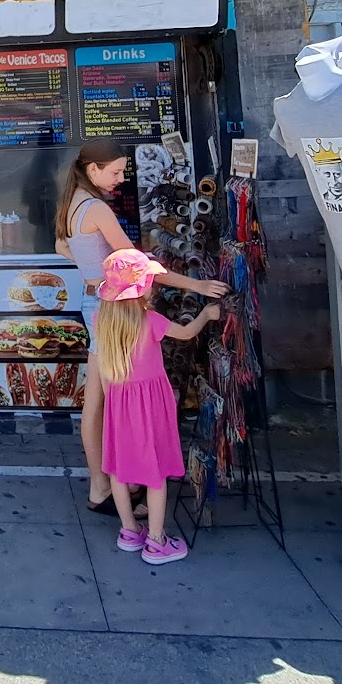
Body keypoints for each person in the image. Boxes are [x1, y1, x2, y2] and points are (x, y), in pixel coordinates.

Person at [55, 142, 228, 514]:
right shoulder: (97, 208)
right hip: (110, 307)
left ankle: (108, 484)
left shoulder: (72, 203)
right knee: (111, 401)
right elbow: (137, 266)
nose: (120, 179)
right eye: (115, 172)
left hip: (94, 302)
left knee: (98, 400)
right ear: (92, 170)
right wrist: (197, 285)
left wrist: (86, 263)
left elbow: (60, 245)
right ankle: (109, 486)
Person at [93, 247, 221, 564]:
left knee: (119, 471)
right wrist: (206, 314)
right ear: (144, 287)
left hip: (118, 402)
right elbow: (188, 332)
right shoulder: (151, 320)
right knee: (155, 473)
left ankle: (128, 532)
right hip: (149, 404)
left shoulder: (100, 319)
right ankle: (156, 541)